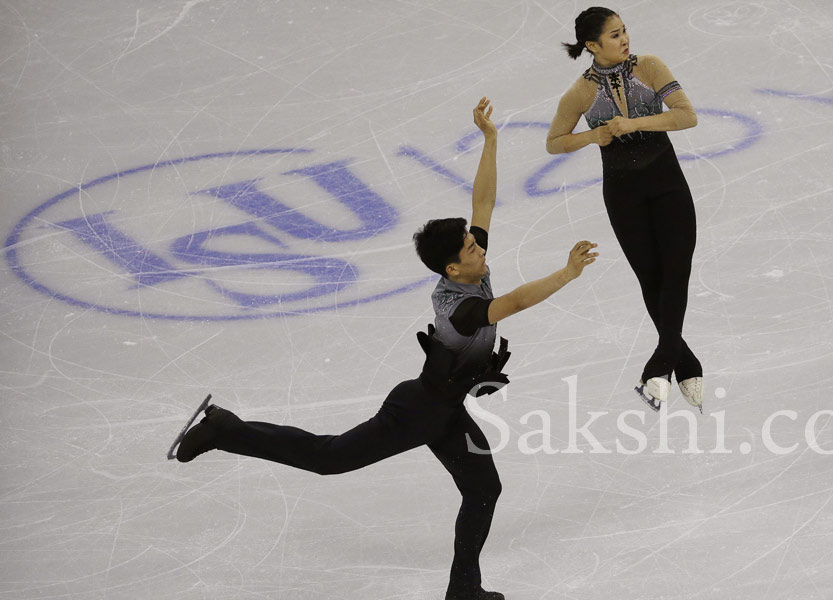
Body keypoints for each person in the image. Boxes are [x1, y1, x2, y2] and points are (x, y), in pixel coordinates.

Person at [170, 98, 598, 600]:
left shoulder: (466, 265)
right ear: (451, 270)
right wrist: (567, 274)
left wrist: (491, 140)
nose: (481, 247)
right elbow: (515, 302)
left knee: (484, 489)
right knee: (327, 458)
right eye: (471, 248)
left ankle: (464, 590)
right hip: (416, 410)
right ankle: (226, 428)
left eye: (476, 244)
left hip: (444, 411)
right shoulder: (460, 307)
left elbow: (482, 204)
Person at [546, 6, 704, 413]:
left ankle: (662, 361)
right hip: (623, 197)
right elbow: (555, 142)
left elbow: (687, 116)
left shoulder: (649, 67)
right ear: (592, 45)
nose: (624, 39)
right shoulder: (580, 92)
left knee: (676, 273)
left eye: (624, 31)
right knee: (651, 279)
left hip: (668, 188)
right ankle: (685, 362)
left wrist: (634, 124)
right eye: (614, 35)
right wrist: (592, 135)